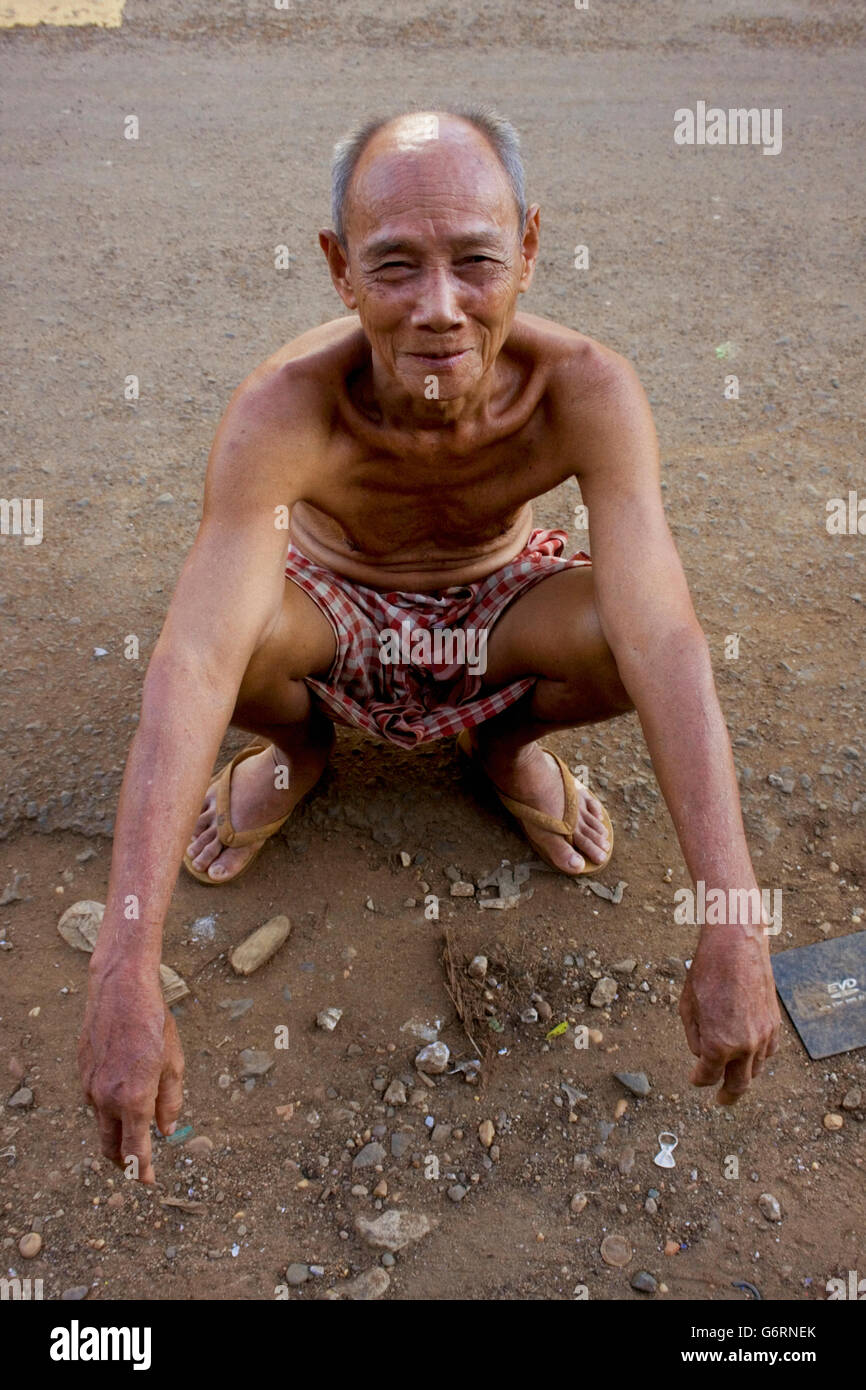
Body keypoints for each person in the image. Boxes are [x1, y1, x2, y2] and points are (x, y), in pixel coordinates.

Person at [79, 107, 780, 1184]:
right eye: (394, 265)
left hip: (499, 605)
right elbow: (192, 662)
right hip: (330, 599)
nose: (439, 307)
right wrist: (124, 967)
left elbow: (668, 639)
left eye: (476, 262)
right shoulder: (284, 409)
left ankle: (499, 750)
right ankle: (301, 752)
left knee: (616, 638)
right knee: (239, 632)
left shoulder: (586, 387)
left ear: (530, 252)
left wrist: (732, 919)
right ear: (337, 269)